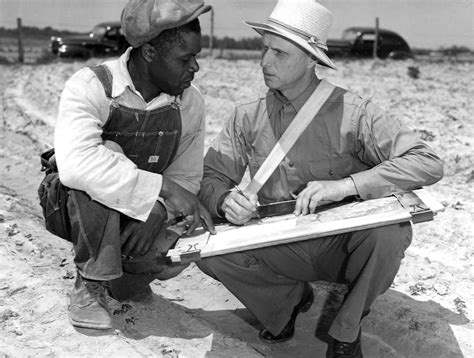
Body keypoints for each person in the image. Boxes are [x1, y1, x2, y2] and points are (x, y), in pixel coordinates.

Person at [197, 0, 443, 356]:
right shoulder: (245, 117)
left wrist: (348, 186)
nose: (265, 63)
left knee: (390, 233)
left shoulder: (353, 113)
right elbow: (209, 178)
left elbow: (428, 162)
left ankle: (346, 330)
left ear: (312, 60)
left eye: (279, 54)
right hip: (277, 244)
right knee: (205, 249)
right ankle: (286, 304)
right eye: (264, 50)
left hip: (341, 246)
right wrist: (223, 200)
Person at [54, 0, 215, 330]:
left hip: (140, 210)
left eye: (196, 56)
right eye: (185, 58)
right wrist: (160, 190)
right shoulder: (90, 86)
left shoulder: (190, 102)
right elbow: (76, 166)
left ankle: (127, 278)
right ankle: (90, 285)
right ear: (150, 53)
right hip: (73, 207)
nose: (195, 67)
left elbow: (185, 177)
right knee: (105, 155)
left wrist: (156, 208)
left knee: (187, 235)